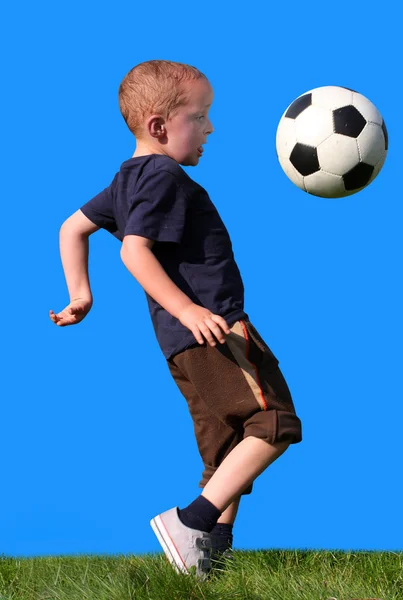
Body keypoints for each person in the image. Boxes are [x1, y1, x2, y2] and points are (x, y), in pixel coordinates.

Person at [50, 60, 303, 580]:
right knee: (273, 423)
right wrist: (190, 310)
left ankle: (208, 563)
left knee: (226, 452)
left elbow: (71, 229)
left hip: (179, 345)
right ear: (160, 126)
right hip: (214, 329)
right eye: (201, 116)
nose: (210, 128)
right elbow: (134, 253)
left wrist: (81, 295)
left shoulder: (127, 179)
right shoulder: (163, 175)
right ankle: (192, 523)